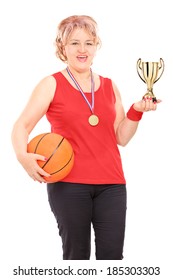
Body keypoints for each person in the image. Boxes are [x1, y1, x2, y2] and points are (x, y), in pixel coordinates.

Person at [11, 15, 161, 260]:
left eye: (89, 43)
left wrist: (137, 110)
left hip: (112, 185)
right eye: (74, 43)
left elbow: (121, 137)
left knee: (112, 259)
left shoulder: (110, 85)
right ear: (62, 47)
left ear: (96, 46)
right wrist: (23, 157)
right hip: (68, 185)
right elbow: (21, 125)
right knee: (76, 258)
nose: (82, 50)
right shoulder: (51, 84)